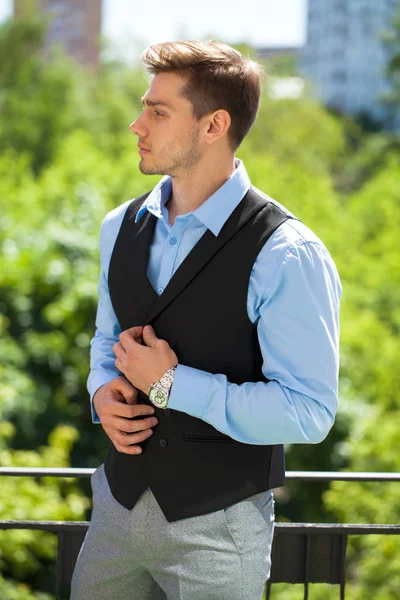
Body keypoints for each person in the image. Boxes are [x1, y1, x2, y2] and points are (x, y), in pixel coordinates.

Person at [71, 40, 342, 600]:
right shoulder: (118, 226)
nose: (135, 124)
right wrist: (102, 393)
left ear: (214, 124)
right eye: (144, 106)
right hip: (115, 512)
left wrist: (171, 386)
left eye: (158, 111)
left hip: (219, 529)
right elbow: (105, 341)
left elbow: (309, 413)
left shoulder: (286, 252)